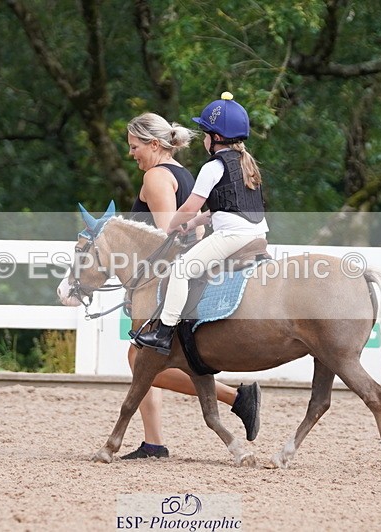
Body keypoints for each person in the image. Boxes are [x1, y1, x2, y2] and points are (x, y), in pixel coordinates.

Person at [121, 112, 261, 460]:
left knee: (140, 356)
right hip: (189, 264)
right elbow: (197, 227)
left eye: (134, 146)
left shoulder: (155, 177)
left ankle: (233, 397)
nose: (131, 153)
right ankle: (153, 440)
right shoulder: (182, 173)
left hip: (169, 275)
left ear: (153, 144)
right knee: (139, 358)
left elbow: (169, 231)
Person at [134, 93, 268, 356]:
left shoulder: (214, 166)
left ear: (216, 138)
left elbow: (189, 207)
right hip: (258, 234)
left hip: (232, 236)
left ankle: (164, 331)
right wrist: (193, 222)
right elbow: (215, 211)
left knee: (181, 270)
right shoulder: (246, 163)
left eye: (206, 134)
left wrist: (173, 225)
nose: (204, 139)